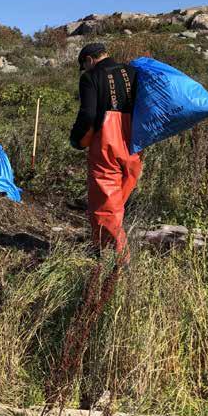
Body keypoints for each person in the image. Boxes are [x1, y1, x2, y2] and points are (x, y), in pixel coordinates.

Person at [69, 43, 142, 261]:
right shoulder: (133, 72)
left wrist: (77, 139)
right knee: (117, 203)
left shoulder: (90, 77)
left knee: (105, 205)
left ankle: (116, 260)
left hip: (107, 145)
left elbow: (89, 114)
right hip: (134, 146)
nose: (85, 69)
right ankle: (106, 249)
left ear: (90, 60)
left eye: (84, 65)